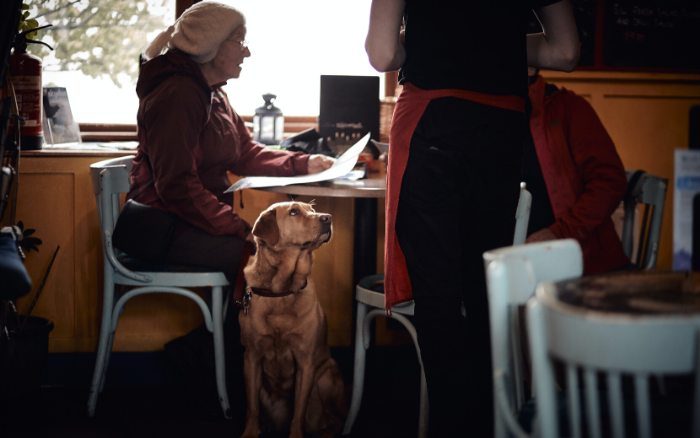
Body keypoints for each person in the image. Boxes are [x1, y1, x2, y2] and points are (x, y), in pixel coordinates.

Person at [365, 1, 580, 436]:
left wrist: (434, 43)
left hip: (433, 116)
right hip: (502, 123)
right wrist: (493, 44)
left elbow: (383, 55)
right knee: (486, 290)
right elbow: (565, 52)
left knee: (438, 297)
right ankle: (488, 425)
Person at [122, 1, 334, 419]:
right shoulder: (179, 94)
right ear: (212, 46)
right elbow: (176, 187)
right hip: (162, 226)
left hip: (188, 219)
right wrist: (240, 229)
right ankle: (222, 370)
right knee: (261, 259)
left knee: (259, 257)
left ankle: (226, 365)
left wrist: (303, 162)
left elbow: (246, 151)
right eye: (240, 41)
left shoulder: (212, 93)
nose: (246, 51)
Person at [524, 68, 630, 273]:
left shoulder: (569, 108)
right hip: (516, 267)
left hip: (583, 266)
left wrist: (559, 232)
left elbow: (609, 180)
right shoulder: (485, 117)